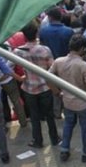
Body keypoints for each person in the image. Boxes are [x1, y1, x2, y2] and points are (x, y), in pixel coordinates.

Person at [49, 35, 86, 163]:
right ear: (83, 49)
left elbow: (47, 77)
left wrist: (56, 92)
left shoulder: (58, 61)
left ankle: (64, 149)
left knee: (68, 125)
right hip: (83, 103)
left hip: (67, 101)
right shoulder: (84, 65)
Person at [14, 21, 61, 149]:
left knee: (34, 117)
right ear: (36, 33)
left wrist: (20, 78)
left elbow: (7, 68)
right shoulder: (44, 49)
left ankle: (38, 141)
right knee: (49, 115)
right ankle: (54, 138)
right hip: (45, 87)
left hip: (29, 88)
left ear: (24, 35)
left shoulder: (18, 52)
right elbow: (53, 67)